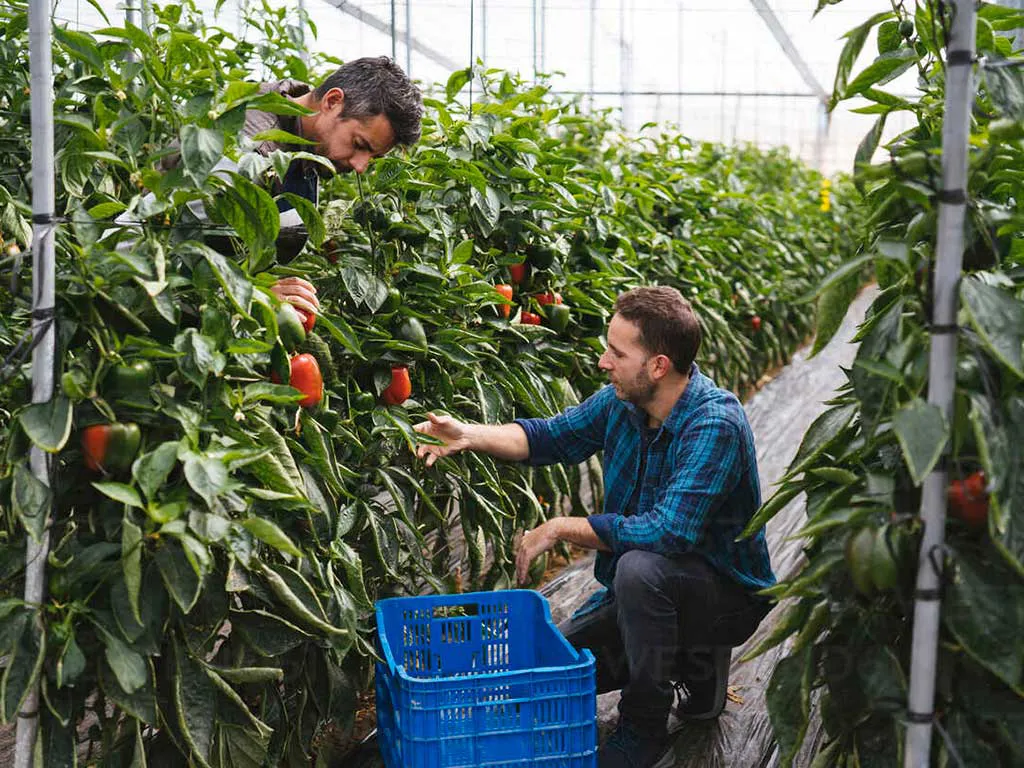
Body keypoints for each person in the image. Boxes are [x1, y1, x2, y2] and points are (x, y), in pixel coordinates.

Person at [413, 286, 775, 768]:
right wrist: (469, 435)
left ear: (658, 366)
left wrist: (563, 527)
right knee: (554, 665)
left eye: (616, 352)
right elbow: (549, 437)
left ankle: (644, 725)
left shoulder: (714, 424)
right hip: (643, 597)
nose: (604, 361)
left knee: (640, 569)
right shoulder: (622, 405)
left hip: (722, 597)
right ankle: (693, 663)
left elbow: (668, 534)